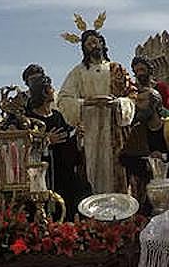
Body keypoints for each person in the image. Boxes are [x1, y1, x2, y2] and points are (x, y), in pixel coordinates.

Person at [57, 24, 136, 195]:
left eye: (95, 42)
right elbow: (63, 98)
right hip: (90, 128)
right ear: (84, 48)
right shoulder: (78, 72)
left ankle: (119, 214)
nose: (93, 46)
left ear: (102, 43)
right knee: (92, 167)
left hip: (113, 126)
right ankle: (92, 213)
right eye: (89, 44)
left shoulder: (117, 69)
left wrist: (118, 103)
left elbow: (132, 96)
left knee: (115, 167)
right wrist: (85, 103)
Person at [24, 70, 90, 219]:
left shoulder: (57, 116)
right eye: (50, 88)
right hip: (41, 176)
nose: (53, 90)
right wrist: (46, 141)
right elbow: (25, 147)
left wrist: (77, 138)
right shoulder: (30, 119)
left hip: (62, 172)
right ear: (43, 93)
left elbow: (67, 139)